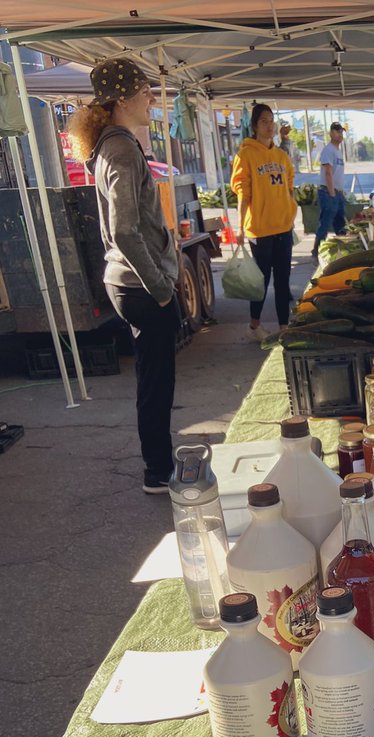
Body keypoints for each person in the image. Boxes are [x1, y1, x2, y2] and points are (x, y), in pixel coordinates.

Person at [69, 57, 180, 495]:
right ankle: (158, 471)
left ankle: (159, 463)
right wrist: (162, 290)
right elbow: (124, 230)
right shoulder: (120, 149)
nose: (151, 98)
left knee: (154, 379)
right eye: (144, 91)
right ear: (120, 100)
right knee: (156, 382)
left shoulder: (115, 145)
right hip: (139, 286)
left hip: (131, 282)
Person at [230, 104, 297, 341]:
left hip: (283, 227)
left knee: (283, 280)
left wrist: (290, 211)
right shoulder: (246, 155)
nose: (269, 126)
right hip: (259, 229)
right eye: (264, 121)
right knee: (261, 281)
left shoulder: (281, 156)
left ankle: (283, 326)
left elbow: (290, 187)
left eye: (271, 121)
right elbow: (243, 194)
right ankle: (254, 326)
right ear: (254, 126)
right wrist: (239, 227)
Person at [313, 121, 348, 260]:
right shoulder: (328, 150)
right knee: (325, 223)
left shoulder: (337, 151)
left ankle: (342, 251)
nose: (340, 134)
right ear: (331, 133)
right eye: (337, 131)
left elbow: (337, 173)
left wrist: (339, 192)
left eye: (341, 132)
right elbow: (328, 172)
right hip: (328, 192)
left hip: (337, 192)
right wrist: (332, 192)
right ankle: (316, 252)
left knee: (340, 223)